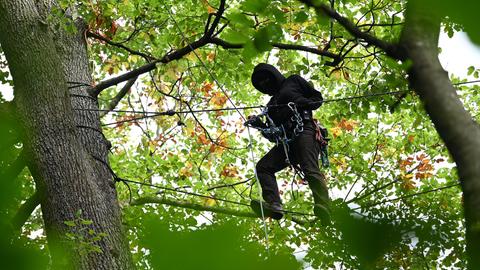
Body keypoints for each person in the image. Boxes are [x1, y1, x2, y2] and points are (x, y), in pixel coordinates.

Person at [247, 63, 331, 225]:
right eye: (261, 83)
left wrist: (304, 102)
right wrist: (260, 124)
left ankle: (324, 206)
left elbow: (317, 98)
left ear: (274, 74)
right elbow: (273, 134)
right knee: (263, 167)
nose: (264, 83)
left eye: (266, 78)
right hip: (287, 143)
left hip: (305, 130)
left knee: (309, 167)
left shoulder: (293, 81)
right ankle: (274, 205)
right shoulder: (271, 106)